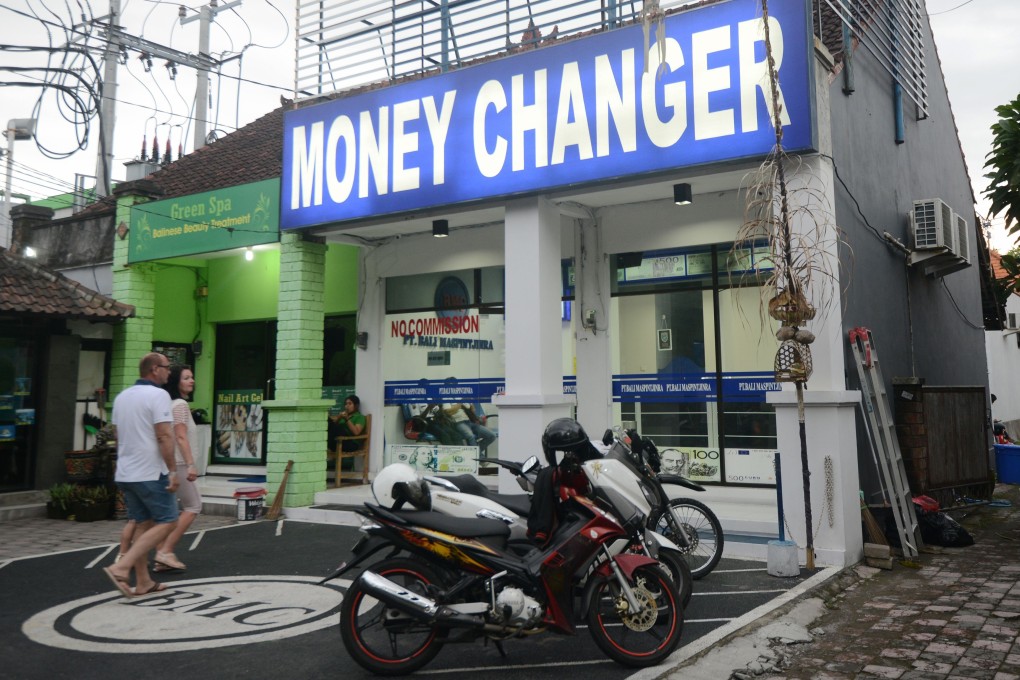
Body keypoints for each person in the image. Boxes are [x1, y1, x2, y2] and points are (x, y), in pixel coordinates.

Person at [102, 353, 179, 598]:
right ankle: (121, 567)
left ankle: (143, 581)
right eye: (167, 368)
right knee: (169, 520)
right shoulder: (159, 395)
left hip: (126, 472)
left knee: (142, 523)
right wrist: (173, 470)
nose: (170, 372)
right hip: (150, 470)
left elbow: (118, 434)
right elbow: (164, 435)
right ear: (155, 369)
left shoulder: (122, 397)